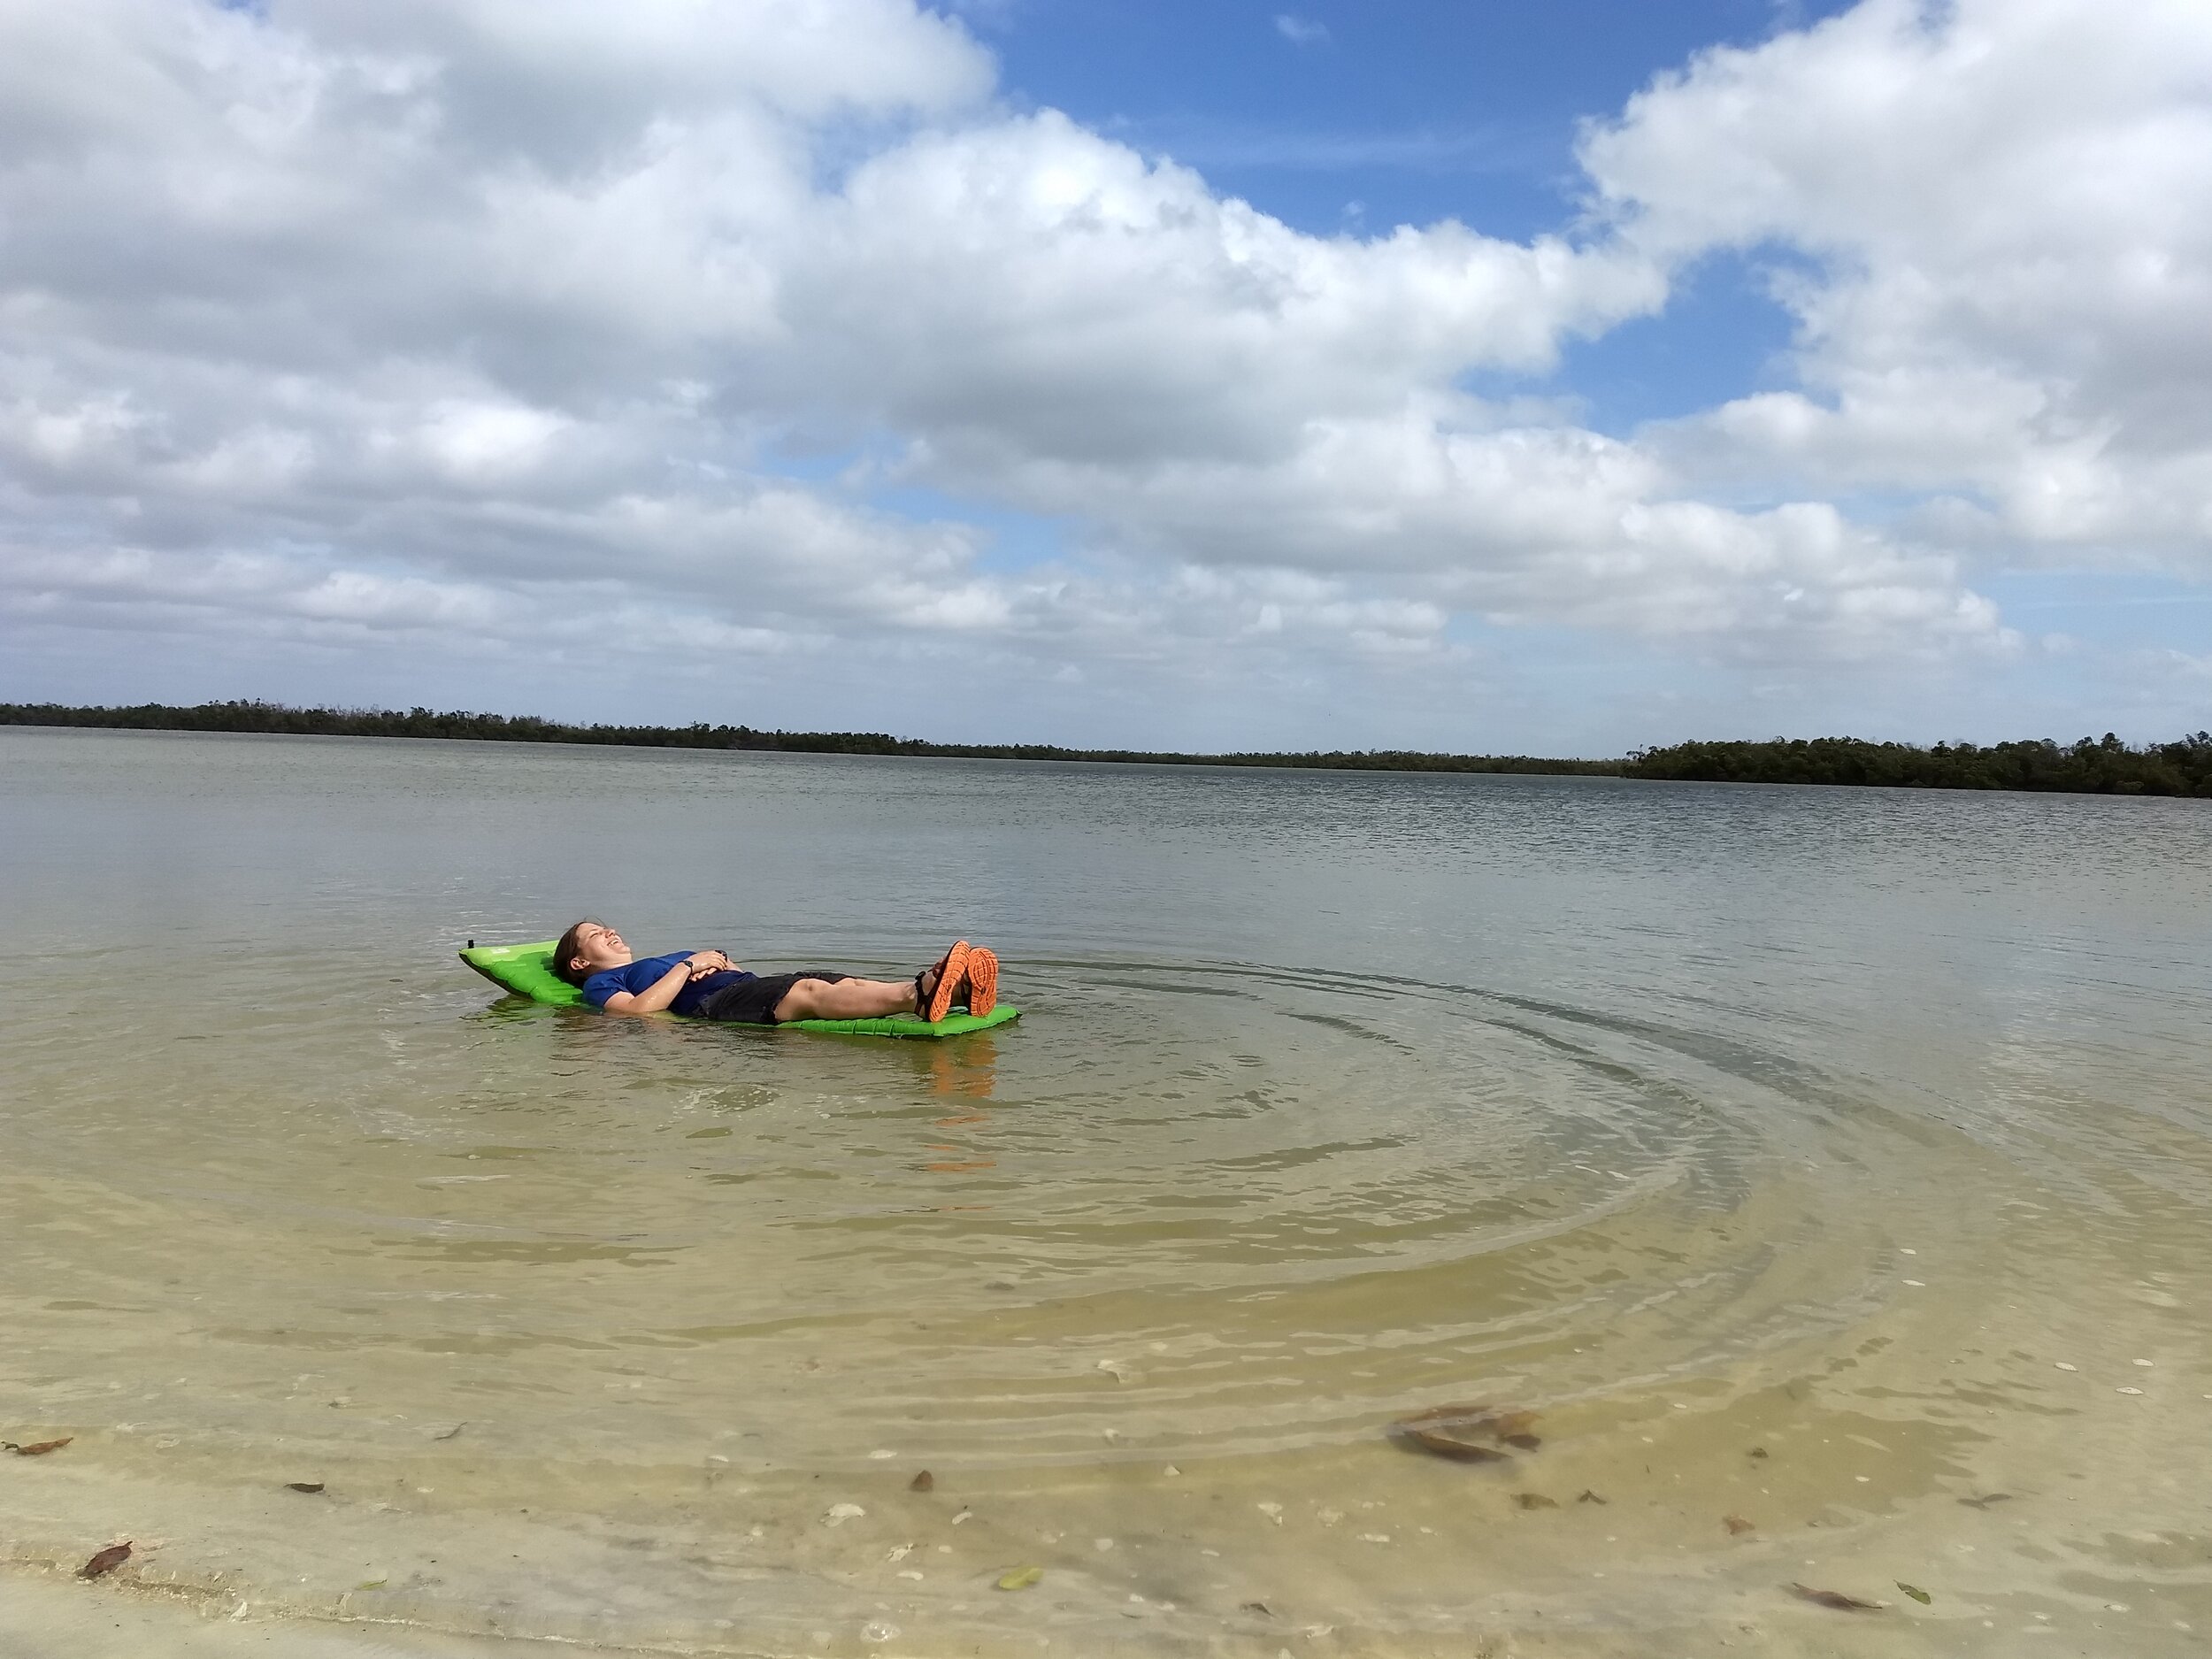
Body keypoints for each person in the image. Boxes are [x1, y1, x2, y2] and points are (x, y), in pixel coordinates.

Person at [549, 920, 998, 1025]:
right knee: (806, 992)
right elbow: (636, 1014)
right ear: (579, 962)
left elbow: (731, 966)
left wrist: (717, 961)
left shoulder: (658, 961)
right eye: (594, 933)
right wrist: (691, 966)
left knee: (838, 983)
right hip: (715, 1006)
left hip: (745, 985)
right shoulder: (601, 982)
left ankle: (955, 992)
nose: (608, 930)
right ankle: (921, 993)